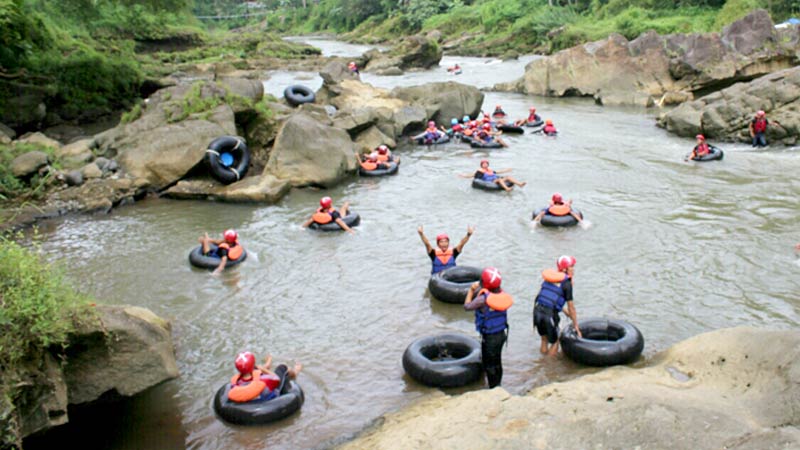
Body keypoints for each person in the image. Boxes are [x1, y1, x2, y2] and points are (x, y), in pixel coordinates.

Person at [464, 267, 513, 388]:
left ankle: (493, 388)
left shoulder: (482, 299)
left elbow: (467, 306)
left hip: (490, 337)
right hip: (501, 335)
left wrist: (471, 290)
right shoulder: (503, 295)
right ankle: (498, 384)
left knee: (489, 364)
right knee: (497, 361)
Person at [532, 255, 581, 356]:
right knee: (555, 342)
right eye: (571, 266)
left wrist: (564, 311)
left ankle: (541, 364)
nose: (573, 269)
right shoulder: (567, 284)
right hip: (549, 315)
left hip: (537, 312)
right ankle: (549, 368)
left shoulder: (549, 279)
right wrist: (576, 326)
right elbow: (571, 307)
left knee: (544, 339)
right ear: (564, 269)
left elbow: (550, 299)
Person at [228, 351, 302, 403]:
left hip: (250, 396)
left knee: (253, 371)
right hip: (265, 397)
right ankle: (295, 372)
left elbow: (252, 370)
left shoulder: (236, 381)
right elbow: (276, 379)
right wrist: (263, 370)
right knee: (282, 367)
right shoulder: (264, 380)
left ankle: (268, 364)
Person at [460, 159, 525, 192]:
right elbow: (472, 175)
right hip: (491, 181)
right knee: (499, 179)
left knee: (508, 177)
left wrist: (507, 170)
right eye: (484, 164)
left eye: (486, 164)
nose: (485, 165)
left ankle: (520, 184)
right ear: (481, 165)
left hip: (495, 179)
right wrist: (464, 176)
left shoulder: (490, 170)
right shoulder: (480, 171)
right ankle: (507, 188)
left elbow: (499, 172)